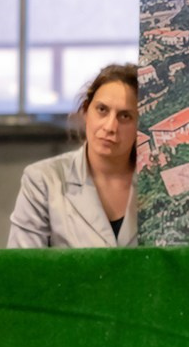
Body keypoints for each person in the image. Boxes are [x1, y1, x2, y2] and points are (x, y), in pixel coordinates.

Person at [7, 63, 139, 248]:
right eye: (102, 110)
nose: (110, 127)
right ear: (86, 111)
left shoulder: (159, 186)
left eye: (125, 116)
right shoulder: (42, 180)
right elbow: (21, 267)